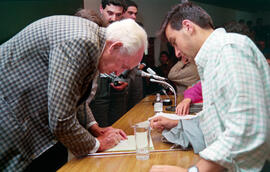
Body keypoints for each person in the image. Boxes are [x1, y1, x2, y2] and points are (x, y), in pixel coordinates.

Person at [0, 16, 148, 172]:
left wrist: (95, 128)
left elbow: (75, 97)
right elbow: (60, 120)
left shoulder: (94, 40)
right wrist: (98, 143)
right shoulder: (82, 42)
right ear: (115, 46)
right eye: (123, 65)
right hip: (9, 114)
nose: (119, 73)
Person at [150, 2, 270, 172]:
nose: (176, 52)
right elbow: (217, 120)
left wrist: (194, 171)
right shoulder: (213, 58)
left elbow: (247, 127)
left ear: (188, 27)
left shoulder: (229, 49)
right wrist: (177, 124)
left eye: (174, 42)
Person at [89, 0, 128, 127]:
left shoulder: (122, 32)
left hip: (115, 88)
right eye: (110, 13)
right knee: (101, 127)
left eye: (118, 15)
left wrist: (121, 78)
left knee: (118, 126)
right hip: (97, 87)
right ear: (101, 9)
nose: (113, 19)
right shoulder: (92, 26)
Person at [121, 0, 145, 111]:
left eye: (135, 14)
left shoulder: (136, 30)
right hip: (121, 75)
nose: (134, 16)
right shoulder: (115, 29)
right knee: (122, 109)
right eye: (130, 13)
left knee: (137, 107)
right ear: (122, 13)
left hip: (135, 74)